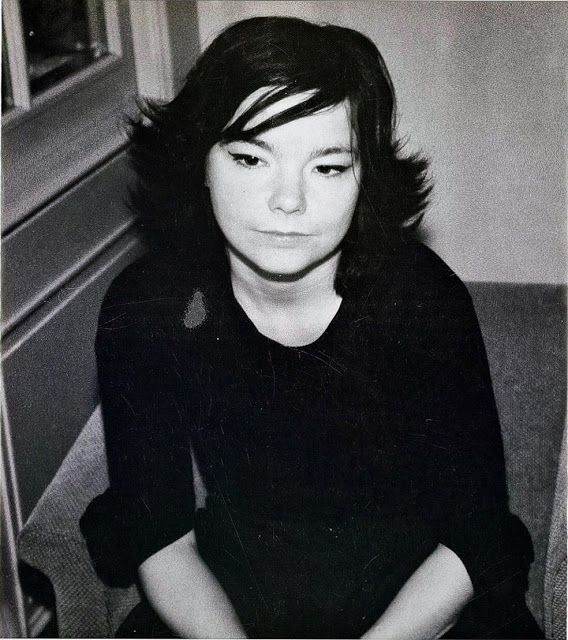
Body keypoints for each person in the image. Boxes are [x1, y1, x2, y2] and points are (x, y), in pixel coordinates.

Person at [80, 16, 542, 639]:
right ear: (202, 163)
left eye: (327, 167)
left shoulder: (422, 301)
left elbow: (474, 539)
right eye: (250, 157)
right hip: (235, 602)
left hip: (420, 602)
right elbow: (158, 534)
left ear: (364, 178)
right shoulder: (149, 305)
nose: (288, 201)